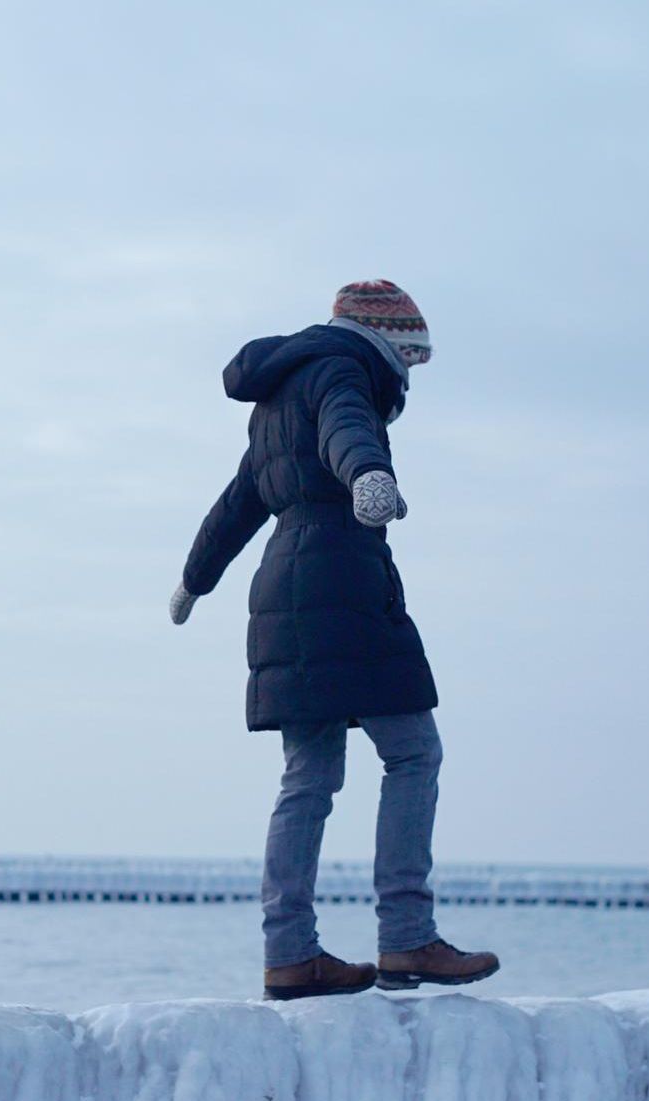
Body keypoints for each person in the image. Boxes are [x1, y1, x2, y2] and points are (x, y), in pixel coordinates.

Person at [169, 280, 499, 1001]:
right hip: (343, 575)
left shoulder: (277, 397)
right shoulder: (343, 367)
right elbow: (348, 426)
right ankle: (408, 936)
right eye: (408, 361)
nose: (407, 380)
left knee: (308, 778)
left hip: (280, 586)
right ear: (388, 343)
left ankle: (290, 955)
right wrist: (371, 475)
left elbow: (237, 503)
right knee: (413, 752)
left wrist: (195, 581)